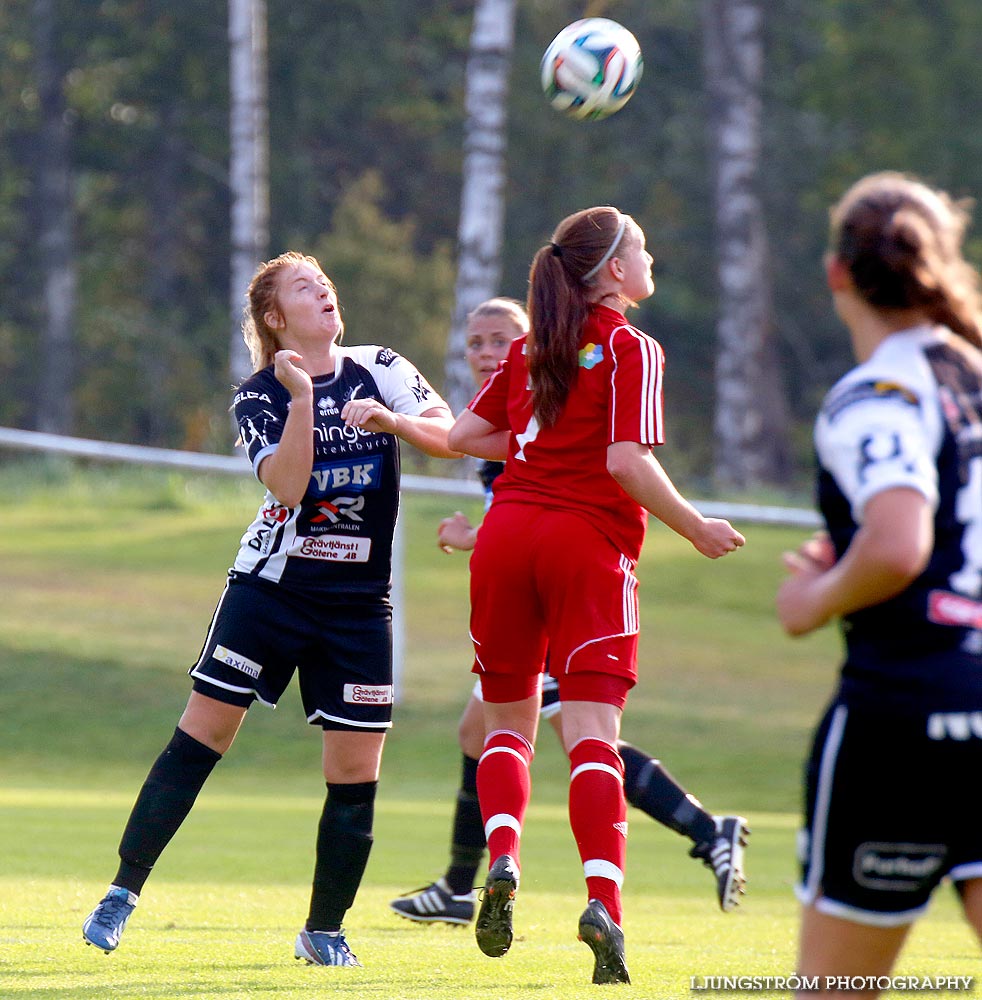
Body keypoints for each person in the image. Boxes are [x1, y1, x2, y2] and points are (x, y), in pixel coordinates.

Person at [81, 251, 457, 968]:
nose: (324, 293)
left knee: (356, 771)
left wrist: (390, 420)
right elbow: (286, 488)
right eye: (304, 289)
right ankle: (122, 893)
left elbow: (451, 435)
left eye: (326, 284)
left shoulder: (380, 365)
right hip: (271, 590)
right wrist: (307, 401)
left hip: (358, 606)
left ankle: (323, 932)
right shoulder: (259, 394)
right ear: (276, 319)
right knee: (204, 737)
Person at [446, 208, 746, 984]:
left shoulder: (531, 348)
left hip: (505, 538)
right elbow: (624, 461)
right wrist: (693, 526)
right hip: (586, 547)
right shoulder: (628, 346)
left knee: (507, 724)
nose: (652, 260)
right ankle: (603, 903)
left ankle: (503, 858)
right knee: (590, 735)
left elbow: (462, 438)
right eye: (642, 249)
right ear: (614, 271)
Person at [776, 172, 982, 998]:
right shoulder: (971, 374)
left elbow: (898, 545)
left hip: (903, 714)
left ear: (837, 274)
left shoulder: (878, 391)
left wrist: (810, 602)